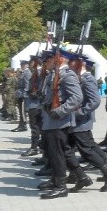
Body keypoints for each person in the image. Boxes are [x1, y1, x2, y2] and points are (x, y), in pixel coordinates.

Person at [68, 51, 107, 191]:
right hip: (76, 120)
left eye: (71, 63)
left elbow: (95, 101)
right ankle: (76, 175)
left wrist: (80, 113)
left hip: (81, 121)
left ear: (78, 65)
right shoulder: (79, 77)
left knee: (86, 150)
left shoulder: (87, 78)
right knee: (74, 147)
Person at [38, 49, 84, 199]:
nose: (46, 63)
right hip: (51, 120)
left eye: (49, 60)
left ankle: (61, 186)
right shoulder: (54, 74)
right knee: (53, 152)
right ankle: (56, 181)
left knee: (57, 154)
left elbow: (77, 98)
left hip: (59, 121)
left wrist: (60, 111)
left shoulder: (68, 74)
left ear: (59, 59)